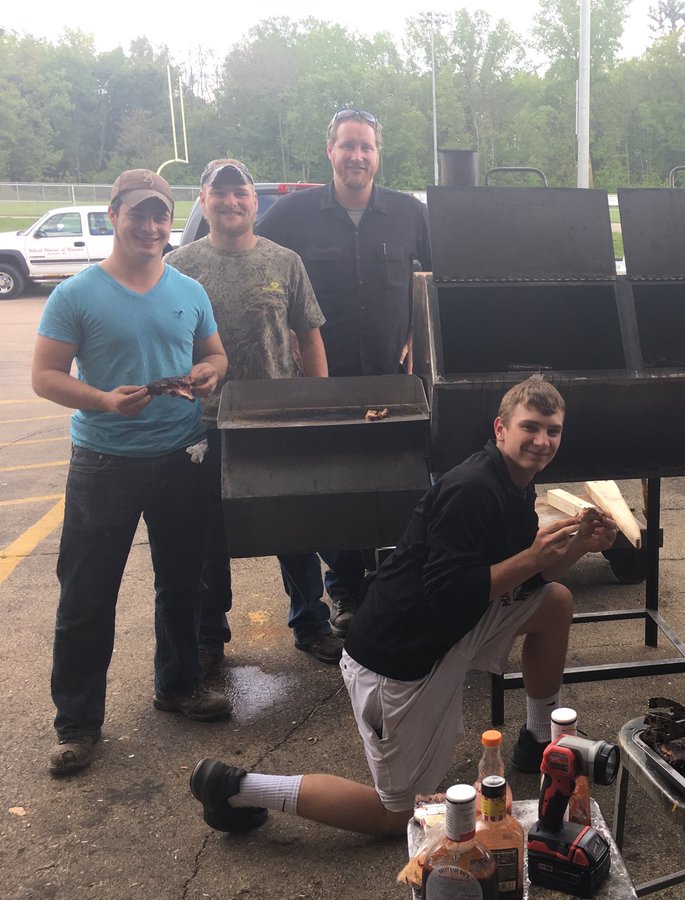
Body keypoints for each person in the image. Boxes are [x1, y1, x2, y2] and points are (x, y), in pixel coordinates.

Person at [189, 376, 617, 835]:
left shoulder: (515, 484)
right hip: (397, 660)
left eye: (553, 431)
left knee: (553, 602)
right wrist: (533, 556)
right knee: (394, 815)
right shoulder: (472, 488)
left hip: (450, 627)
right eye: (530, 427)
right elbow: (452, 590)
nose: (542, 440)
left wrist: (577, 549)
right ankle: (235, 785)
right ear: (500, 429)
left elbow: (527, 578)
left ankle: (537, 742)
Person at [32, 169, 232, 776]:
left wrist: (209, 372)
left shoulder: (189, 289)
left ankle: (177, 685)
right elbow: (44, 376)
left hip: (182, 455)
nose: (150, 227)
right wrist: (104, 400)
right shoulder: (76, 293)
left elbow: (215, 352)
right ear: (114, 214)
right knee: (88, 592)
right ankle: (77, 723)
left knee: (181, 583)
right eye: (138, 214)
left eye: (160, 215)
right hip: (104, 461)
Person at [256, 108, 433, 637]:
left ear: (378, 155)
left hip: (392, 380)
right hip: (320, 380)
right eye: (347, 146)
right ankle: (348, 595)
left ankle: (395, 587)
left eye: (367, 147)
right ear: (330, 150)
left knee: (396, 484)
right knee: (331, 489)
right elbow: (257, 260)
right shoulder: (293, 214)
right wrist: (279, 326)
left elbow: (432, 281)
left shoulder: (408, 214)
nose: (357, 156)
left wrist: (414, 338)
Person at [166, 158, 341, 676]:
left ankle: (312, 623)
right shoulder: (179, 265)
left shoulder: (284, 261)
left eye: (239, 192)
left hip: (276, 419)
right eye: (218, 193)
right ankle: (209, 635)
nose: (230, 201)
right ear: (203, 201)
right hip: (203, 423)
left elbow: (310, 336)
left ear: (254, 201)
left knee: (292, 527)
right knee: (208, 536)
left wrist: (319, 408)